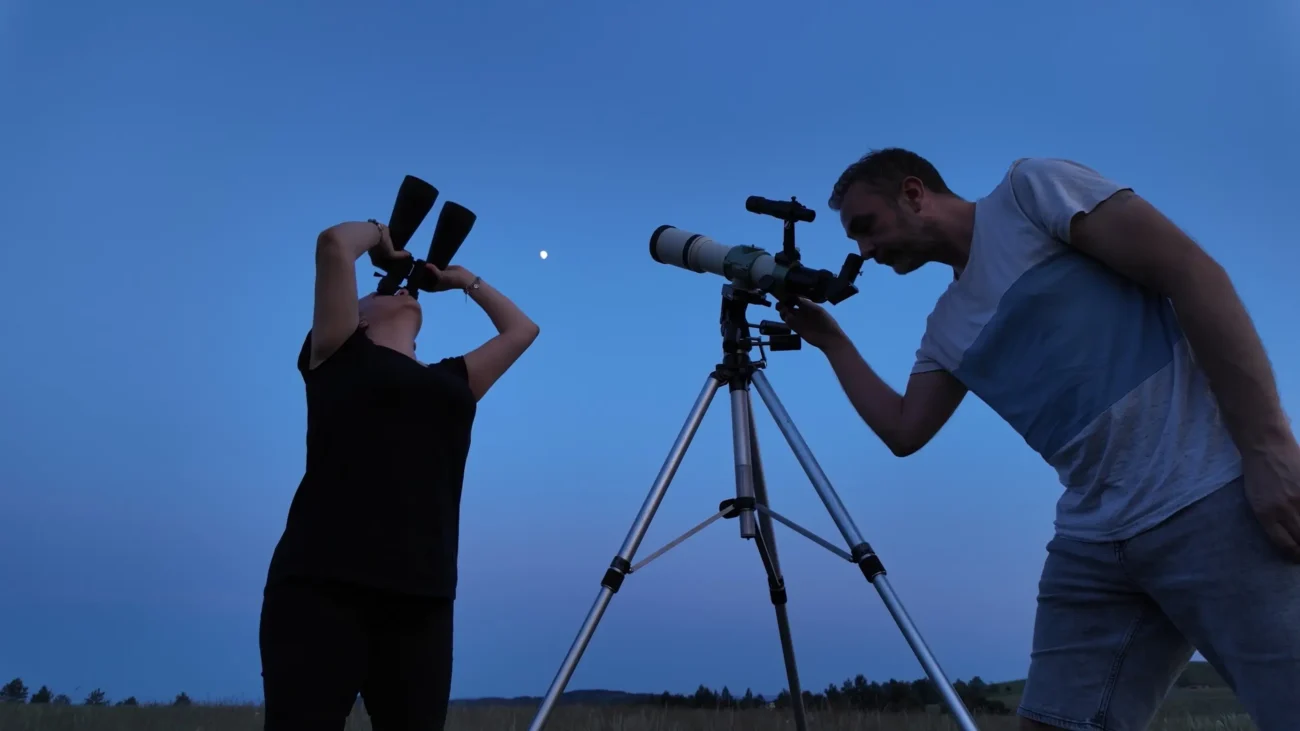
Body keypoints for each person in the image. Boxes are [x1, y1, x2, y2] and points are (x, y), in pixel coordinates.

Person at [776, 148, 1300, 731]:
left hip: (1209, 495)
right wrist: (832, 342)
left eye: (865, 227)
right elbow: (904, 430)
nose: (864, 252)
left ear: (914, 192)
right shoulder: (946, 328)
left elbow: (1190, 270)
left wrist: (1268, 447)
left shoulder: (1030, 193)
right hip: (1094, 541)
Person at [258, 219, 540, 730]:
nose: (390, 289)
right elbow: (335, 245)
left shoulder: (452, 382)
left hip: (423, 598)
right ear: (357, 319)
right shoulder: (336, 354)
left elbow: (522, 331)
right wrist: (382, 240)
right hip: (321, 588)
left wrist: (463, 280)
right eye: (371, 292)